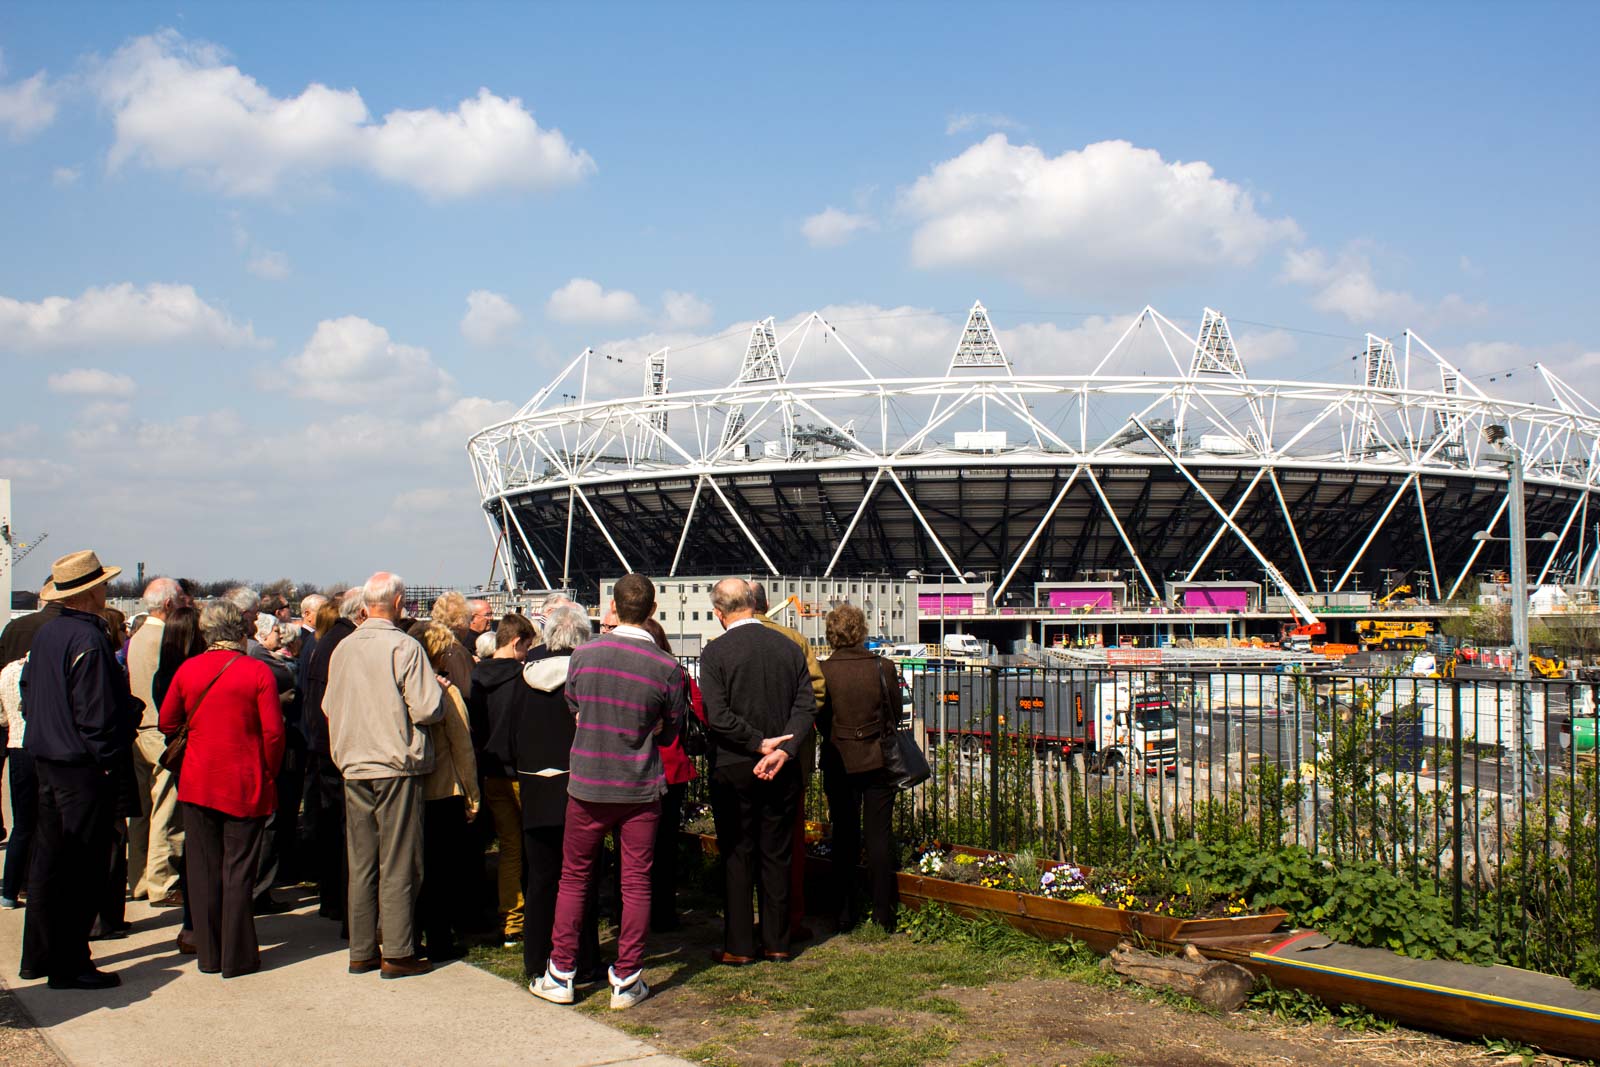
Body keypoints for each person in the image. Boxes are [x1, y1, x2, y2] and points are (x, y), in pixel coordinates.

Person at [530, 574, 684, 1010]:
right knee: (635, 881)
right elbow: (672, 729)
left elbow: (574, 704)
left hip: (588, 783)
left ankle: (561, 973)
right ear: (653, 610)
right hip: (638, 786)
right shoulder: (666, 668)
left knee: (575, 877)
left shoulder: (584, 655)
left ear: (612, 607)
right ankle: (628, 977)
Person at [18, 550, 138, 990]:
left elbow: (29, 691)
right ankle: (70, 962)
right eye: (103, 586)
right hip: (79, 766)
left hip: (48, 759)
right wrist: (108, 759)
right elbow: (96, 714)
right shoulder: (87, 640)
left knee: (49, 864)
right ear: (92, 592)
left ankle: (40, 956)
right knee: (82, 868)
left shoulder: (48, 635)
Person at [323, 572, 445, 978]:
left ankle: (361, 949)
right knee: (399, 860)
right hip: (395, 763)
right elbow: (427, 708)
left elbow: (328, 706)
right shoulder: (404, 646)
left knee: (361, 861)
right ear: (397, 603)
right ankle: (397, 949)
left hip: (354, 763)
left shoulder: (342, 649)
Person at [159, 601, 285, 978]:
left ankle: (209, 952)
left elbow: (168, 721)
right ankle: (238, 953)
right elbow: (274, 733)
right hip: (244, 779)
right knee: (239, 869)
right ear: (240, 630)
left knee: (202, 868)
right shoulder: (257, 672)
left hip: (199, 780)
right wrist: (269, 770)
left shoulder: (189, 668)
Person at [698, 578, 815, 965]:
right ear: (754, 602)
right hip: (783, 767)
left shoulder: (715, 653)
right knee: (777, 853)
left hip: (735, 767)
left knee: (737, 854)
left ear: (719, 613)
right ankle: (778, 942)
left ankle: (740, 946)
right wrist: (783, 748)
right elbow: (806, 706)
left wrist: (755, 743)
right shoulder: (789, 646)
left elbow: (717, 716)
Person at [495, 605, 600, 981]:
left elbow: (505, 740)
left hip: (536, 786)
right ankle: (584, 960)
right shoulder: (588, 679)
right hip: (580, 786)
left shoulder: (523, 679)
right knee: (581, 877)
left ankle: (536, 959)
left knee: (540, 878)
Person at [749, 580, 826, 940]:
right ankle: (789, 922)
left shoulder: (721, 644)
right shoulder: (795, 640)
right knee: (788, 842)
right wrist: (790, 736)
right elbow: (817, 693)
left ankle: (742, 920)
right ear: (768, 603)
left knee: (741, 842)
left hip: (742, 757)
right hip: (790, 758)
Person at [816, 604, 900, 931]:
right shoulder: (884, 667)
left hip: (839, 760)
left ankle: (844, 912)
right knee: (878, 838)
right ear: (862, 630)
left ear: (831, 633)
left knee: (844, 836)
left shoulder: (823, 671)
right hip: (878, 759)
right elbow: (893, 712)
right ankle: (882, 913)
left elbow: (820, 718)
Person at [410, 622, 480, 961]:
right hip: (445, 788)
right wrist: (473, 793)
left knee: (416, 868)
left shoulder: (405, 688)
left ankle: (412, 932)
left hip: (412, 789)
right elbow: (462, 745)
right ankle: (441, 938)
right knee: (442, 871)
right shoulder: (445, 692)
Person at [467, 615, 537, 949]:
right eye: (528, 646)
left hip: (490, 772)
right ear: (517, 642)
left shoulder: (475, 679)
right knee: (535, 846)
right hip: (521, 771)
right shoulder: (522, 679)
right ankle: (537, 914)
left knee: (509, 847)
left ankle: (512, 920)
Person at [125, 577, 188, 907]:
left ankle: (138, 877)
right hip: (160, 731)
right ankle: (162, 880)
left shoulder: (136, 637)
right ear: (168, 605)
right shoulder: (165, 638)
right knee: (166, 808)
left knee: (141, 811)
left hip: (139, 730)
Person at [302, 590, 360, 926]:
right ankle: (341, 902)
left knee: (331, 828)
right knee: (343, 831)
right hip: (336, 750)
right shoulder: (343, 644)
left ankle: (332, 899)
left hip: (322, 747)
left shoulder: (324, 642)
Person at [643, 617, 703, 932]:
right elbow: (701, 711)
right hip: (672, 768)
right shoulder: (677, 672)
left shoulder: (632, 671)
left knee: (634, 845)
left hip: (636, 769)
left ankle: (630, 910)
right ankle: (664, 912)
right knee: (665, 844)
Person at [152, 604, 205, 952]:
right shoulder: (192, 672)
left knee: (190, 837)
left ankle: (192, 921)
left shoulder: (163, 674)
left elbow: (166, 721)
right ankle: (198, 921)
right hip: (200, 755)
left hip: (184, 756)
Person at [0, 653, 33, 909]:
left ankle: (10, 890)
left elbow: (1, 717)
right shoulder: (48, 666)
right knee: (46, 823)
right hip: (42, 747)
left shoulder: (8, 671)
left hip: (16, 745)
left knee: (21, 825)